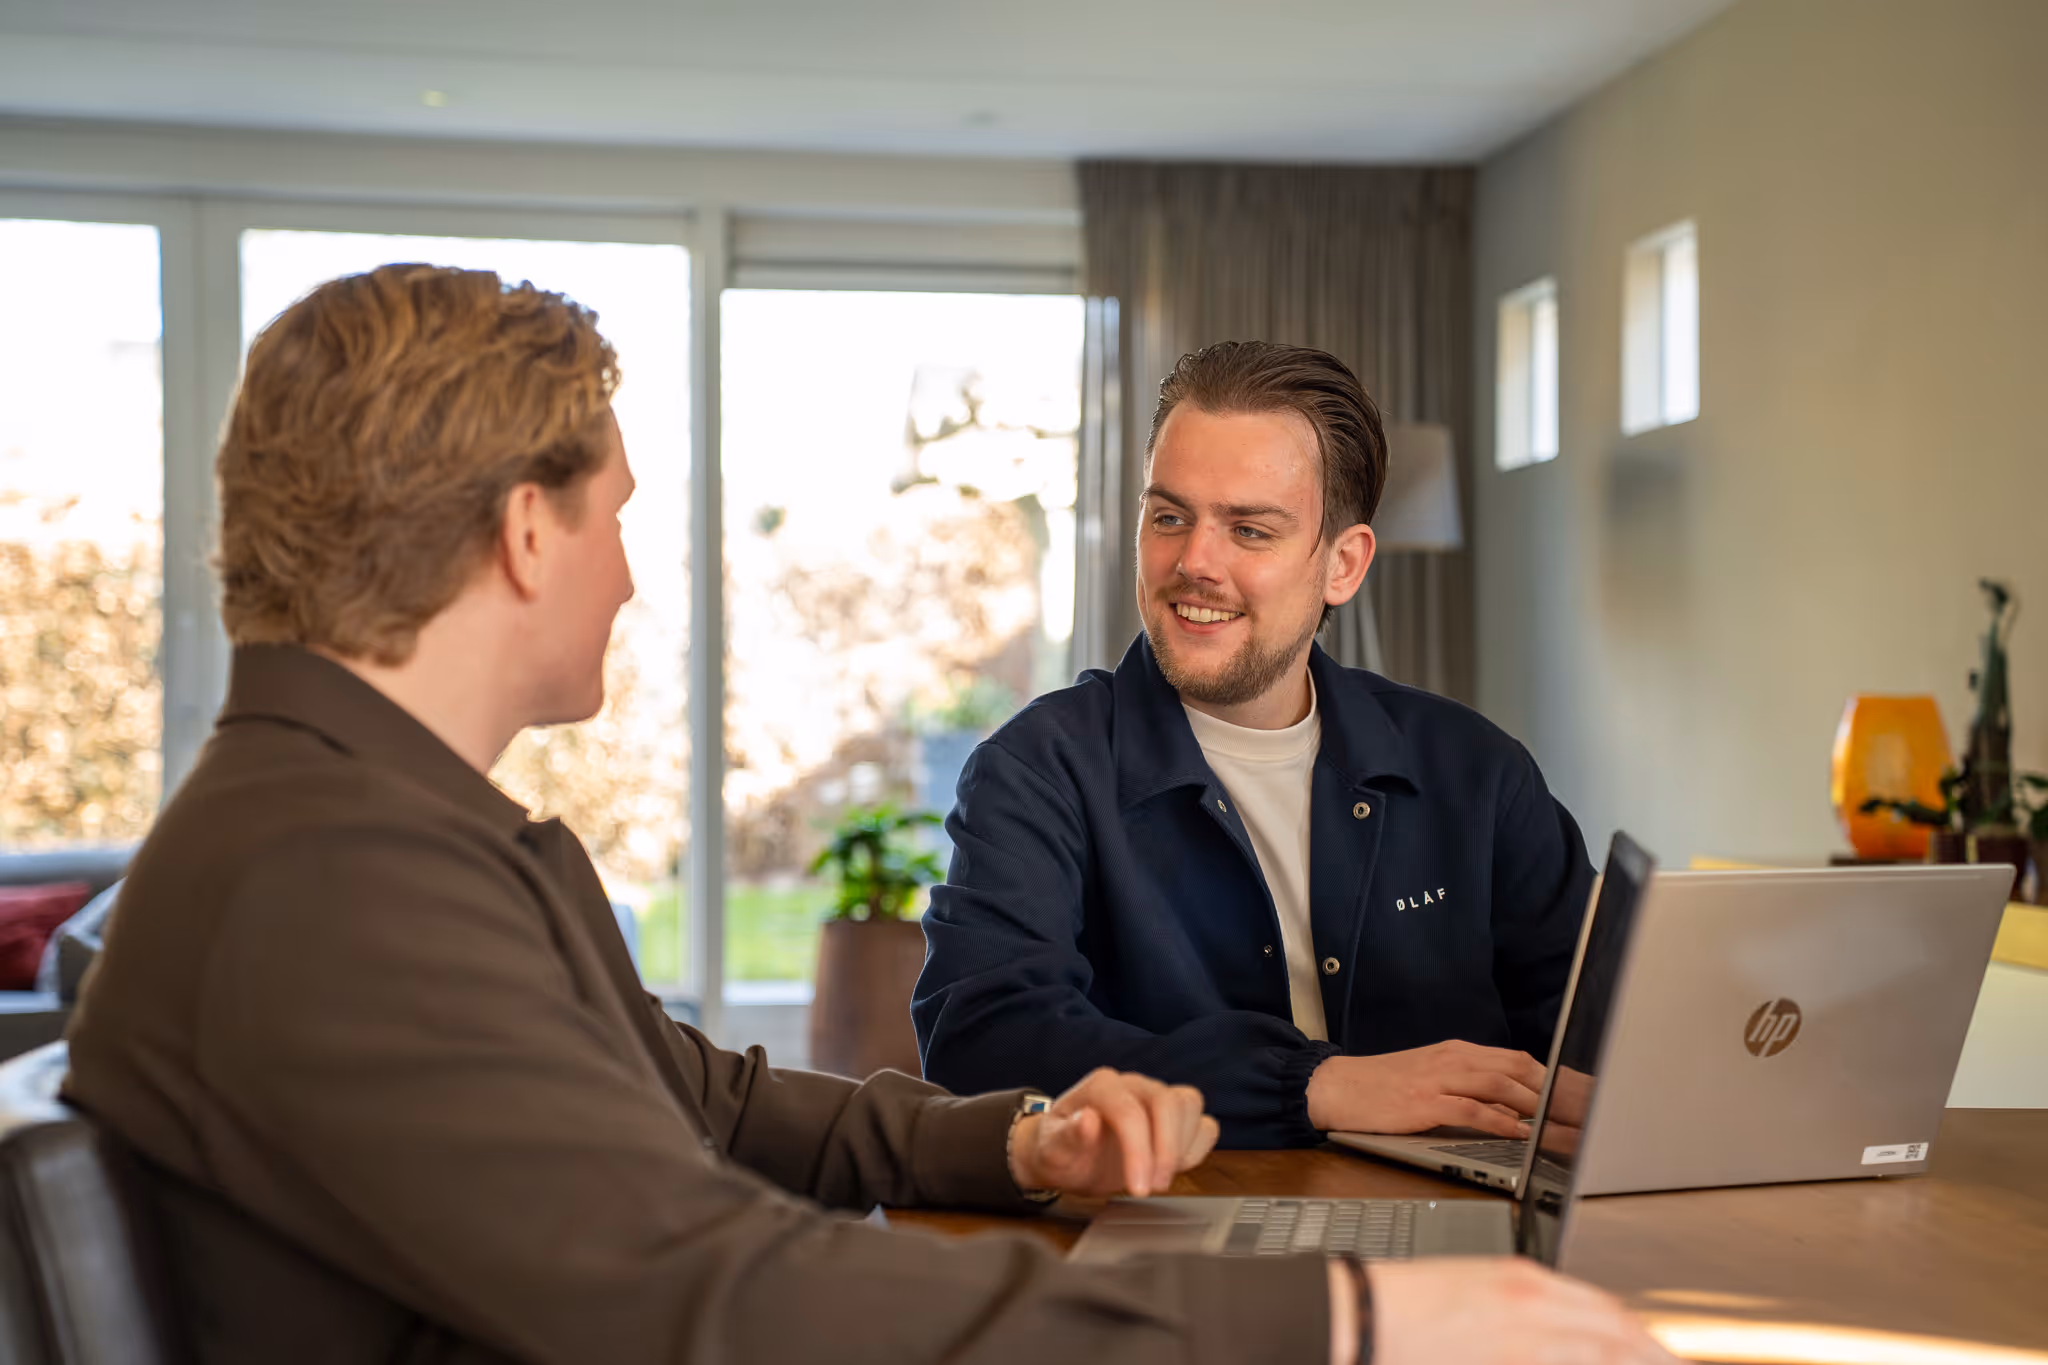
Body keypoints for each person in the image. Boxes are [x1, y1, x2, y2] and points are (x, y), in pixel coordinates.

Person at [64, 270, 1665, 1365]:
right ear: (527, 532)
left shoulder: (374, 833)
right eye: (619, 517)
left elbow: (720, 1104)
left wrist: (1019, 1142)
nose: (631, 573)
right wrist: (1334, 1326)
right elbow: (711, 1288)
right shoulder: (331, 889)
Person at [915, 341, 1596, 1151]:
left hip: (1460, 1234)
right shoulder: (1036, 770)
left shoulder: (1477, 771)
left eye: (1249, 529)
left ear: (1342, 564)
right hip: (1169, 1240)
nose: (1194, 562)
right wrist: (1313, 1084)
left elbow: (1602, 1031)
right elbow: (981, 1043)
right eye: (1169, 516)